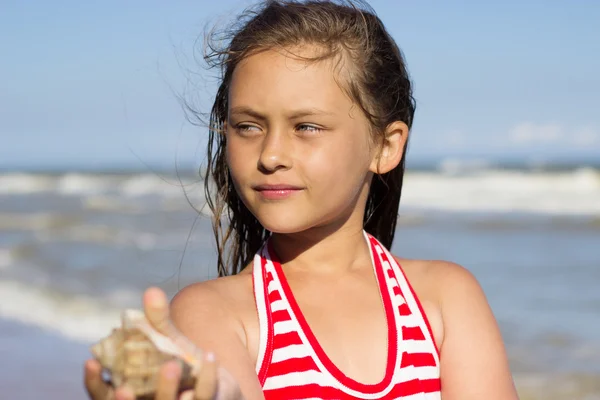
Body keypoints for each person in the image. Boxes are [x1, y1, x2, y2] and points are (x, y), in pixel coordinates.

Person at [85, 1, 519, 399]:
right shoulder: (216, 314)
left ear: (385, 147)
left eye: (306, 127)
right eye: (249, 126)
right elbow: (222, 389)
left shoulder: (444, 299)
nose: (271, 155)